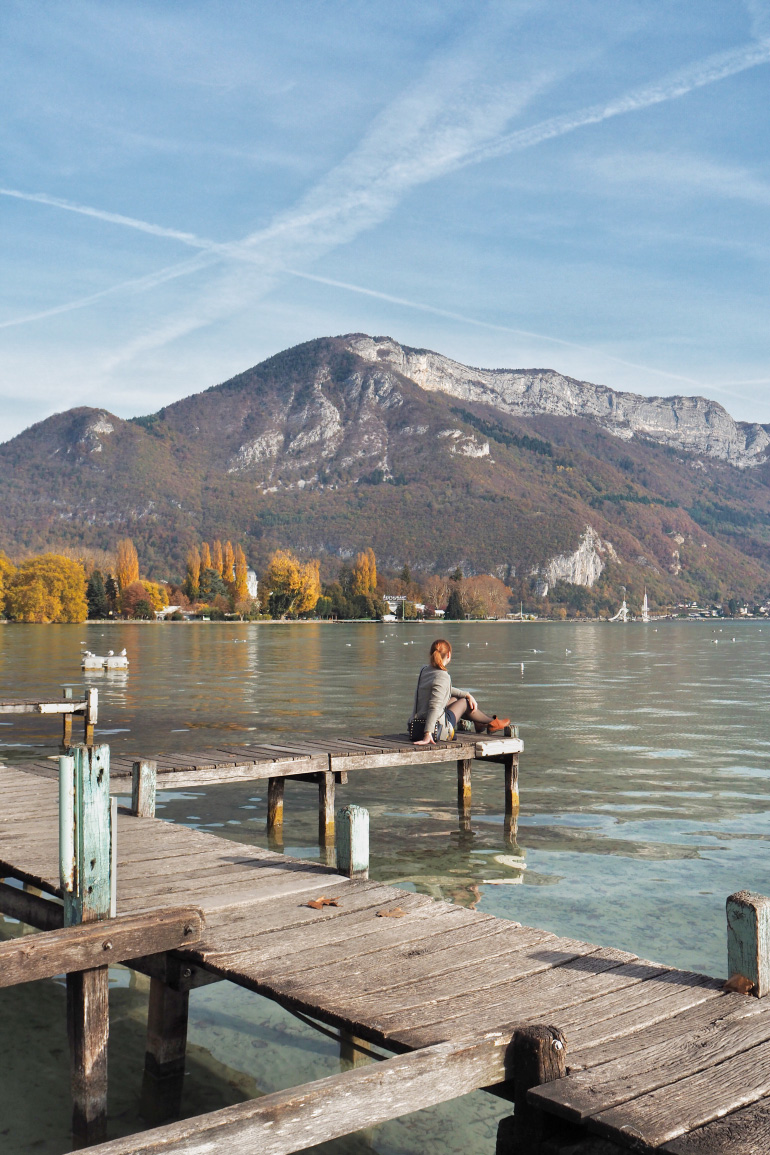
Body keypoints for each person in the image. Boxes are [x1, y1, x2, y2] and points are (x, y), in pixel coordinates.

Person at [409, 638, 510, 746]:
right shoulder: (443, 676)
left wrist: (467, 694)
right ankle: (490, 722)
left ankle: (480, 723)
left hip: (415, 726)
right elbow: (435, 706)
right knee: (464, 703)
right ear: (448, 655)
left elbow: (444, 689)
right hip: (436, 729)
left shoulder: (424, 670)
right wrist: (427, 734)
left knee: (455, 699)